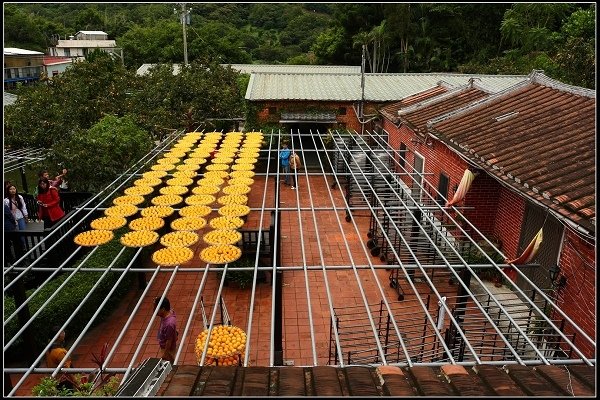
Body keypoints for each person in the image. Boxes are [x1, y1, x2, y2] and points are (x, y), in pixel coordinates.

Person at [154, 297, 178, 363]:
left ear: (163, 309)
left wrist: (165, 354)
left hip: (167, 348)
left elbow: (169, 341)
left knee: (169, 365)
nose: (155, 310)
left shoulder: (169, 324)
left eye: (156, 308)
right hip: (166, 345)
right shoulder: (169, 312)